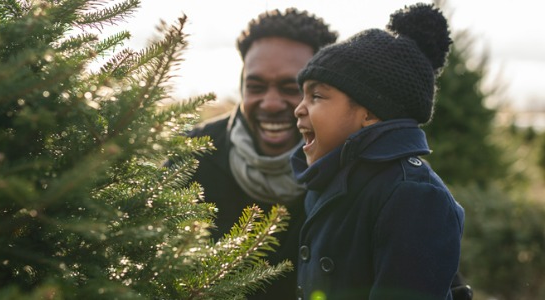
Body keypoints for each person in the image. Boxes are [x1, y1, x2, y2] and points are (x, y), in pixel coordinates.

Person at [290, 3, 465, 299]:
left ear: (370, 112)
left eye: (317, 96)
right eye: (302, 95)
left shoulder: (414, 196)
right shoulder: (327, 178)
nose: (298, 109)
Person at [172, 8, 338, 300]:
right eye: (256, 86)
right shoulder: (195, 154)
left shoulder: (349, 166)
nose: (271, 104)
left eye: (291, 88)